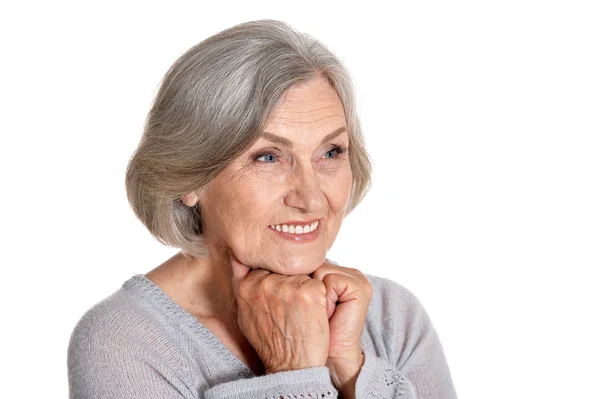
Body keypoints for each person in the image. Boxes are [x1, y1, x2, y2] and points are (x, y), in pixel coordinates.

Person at [67, 19, 457, 399]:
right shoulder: (125, 342)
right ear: (190, 179)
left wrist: (351, 370)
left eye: (330, 152)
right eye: (268, 157)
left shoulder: (390, 316)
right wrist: (295, 376)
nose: (312, 198)